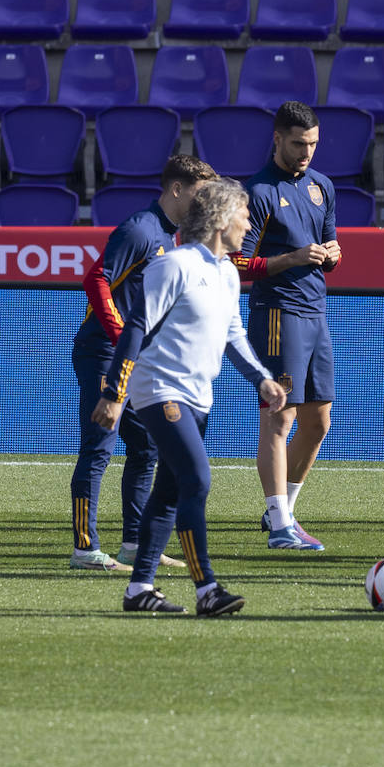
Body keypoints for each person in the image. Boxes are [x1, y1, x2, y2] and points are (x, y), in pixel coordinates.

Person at [95, 179, 288, 615]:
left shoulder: (225, 272)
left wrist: (261, 379)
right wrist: (114, 391)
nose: (248, 223)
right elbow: (137, 327)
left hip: (198, 396)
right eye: (244, 215)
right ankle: (207, 589)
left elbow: (234, 336)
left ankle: (138, 590)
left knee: (167, 493)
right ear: (221, 220)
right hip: (160, 389)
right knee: (197, 479)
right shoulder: (175, 264)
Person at [69, 155, 217, 572]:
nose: (206, 203)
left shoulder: (174, 236)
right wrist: (121, 338)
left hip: (135, 358)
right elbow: (95, 279)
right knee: (99, 447)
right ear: (176, 189)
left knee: (146, 448)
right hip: (104, 352)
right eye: (200, 193)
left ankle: (133, 544)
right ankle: (84, 549)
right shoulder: (140, 228)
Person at [232, 101, 340, 551]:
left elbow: (330, 241)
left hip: (316, 310)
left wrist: (333, 255)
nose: (306, 152)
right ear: (277, 139)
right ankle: (280, 527)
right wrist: (290, 259)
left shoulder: (322, 187)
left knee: (319, 422)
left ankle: (283, 511)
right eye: (298, 143)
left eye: (313, 143)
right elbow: (236, 262)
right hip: (277, 312)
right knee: (281, 416)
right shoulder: (257, 193)